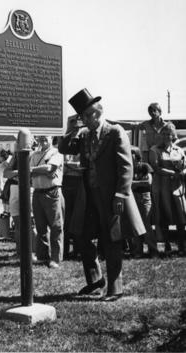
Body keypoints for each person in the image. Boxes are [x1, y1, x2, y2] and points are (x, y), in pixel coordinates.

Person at [58, 88, 145, 301]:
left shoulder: (115, 132)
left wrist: (121, 194)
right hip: (88, 196)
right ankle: (96, 281)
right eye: (82, 117)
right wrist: (71, 128)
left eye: (87, 116)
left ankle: (116, 287)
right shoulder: (85, 135)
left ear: (98, 112)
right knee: (83, 237)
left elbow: (126, 166)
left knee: (111, 239)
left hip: (111, 196)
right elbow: (63, 148)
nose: (85, 120)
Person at [149, 122, 186, 256]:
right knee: (164, 214)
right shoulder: (155, 150)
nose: (166, 136)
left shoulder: (178, 150)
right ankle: (167, 245)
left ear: (173, 135)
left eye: (168, 134)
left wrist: (182, 172)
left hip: (176, 187)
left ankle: (182, 245)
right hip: (161, 187)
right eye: (163, 133)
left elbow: (184, 165)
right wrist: (173, 173)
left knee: (181, 215)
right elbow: (156, 167)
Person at [30, 135, 64, 269]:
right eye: (41, 137)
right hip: (37, 192)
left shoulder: (56, 153)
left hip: (52, 191)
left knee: (56, 227)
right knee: (40, 226)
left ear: (51, 138)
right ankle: (42, 256)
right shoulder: (34, 154)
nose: (43, 139)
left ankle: (55, 258)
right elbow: (30, 172)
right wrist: (41, 170)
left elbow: (50, 169)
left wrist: (35, 170)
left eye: (46, 136)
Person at [62, 116, 86, 260]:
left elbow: (83, 165)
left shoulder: (83, 141)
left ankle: (78, 249)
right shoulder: (66, 142)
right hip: (68, 182)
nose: (76, 130)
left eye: (78, 127)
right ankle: (64, 251)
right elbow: (65, 163)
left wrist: (75, 166)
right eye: (74, 127)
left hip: (80, 182)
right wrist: (78, 167)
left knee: (79, 217)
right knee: (66, 218)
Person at [130, 146, 159, 258]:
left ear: (137, 156)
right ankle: (138, 250)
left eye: (131, 154)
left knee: (146, 224)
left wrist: (132, 183)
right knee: (135, 224)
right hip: (133, 197)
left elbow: (148, 182)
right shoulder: (128, 168)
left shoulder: (145, 166)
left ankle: (153, 250)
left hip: (144, 197)